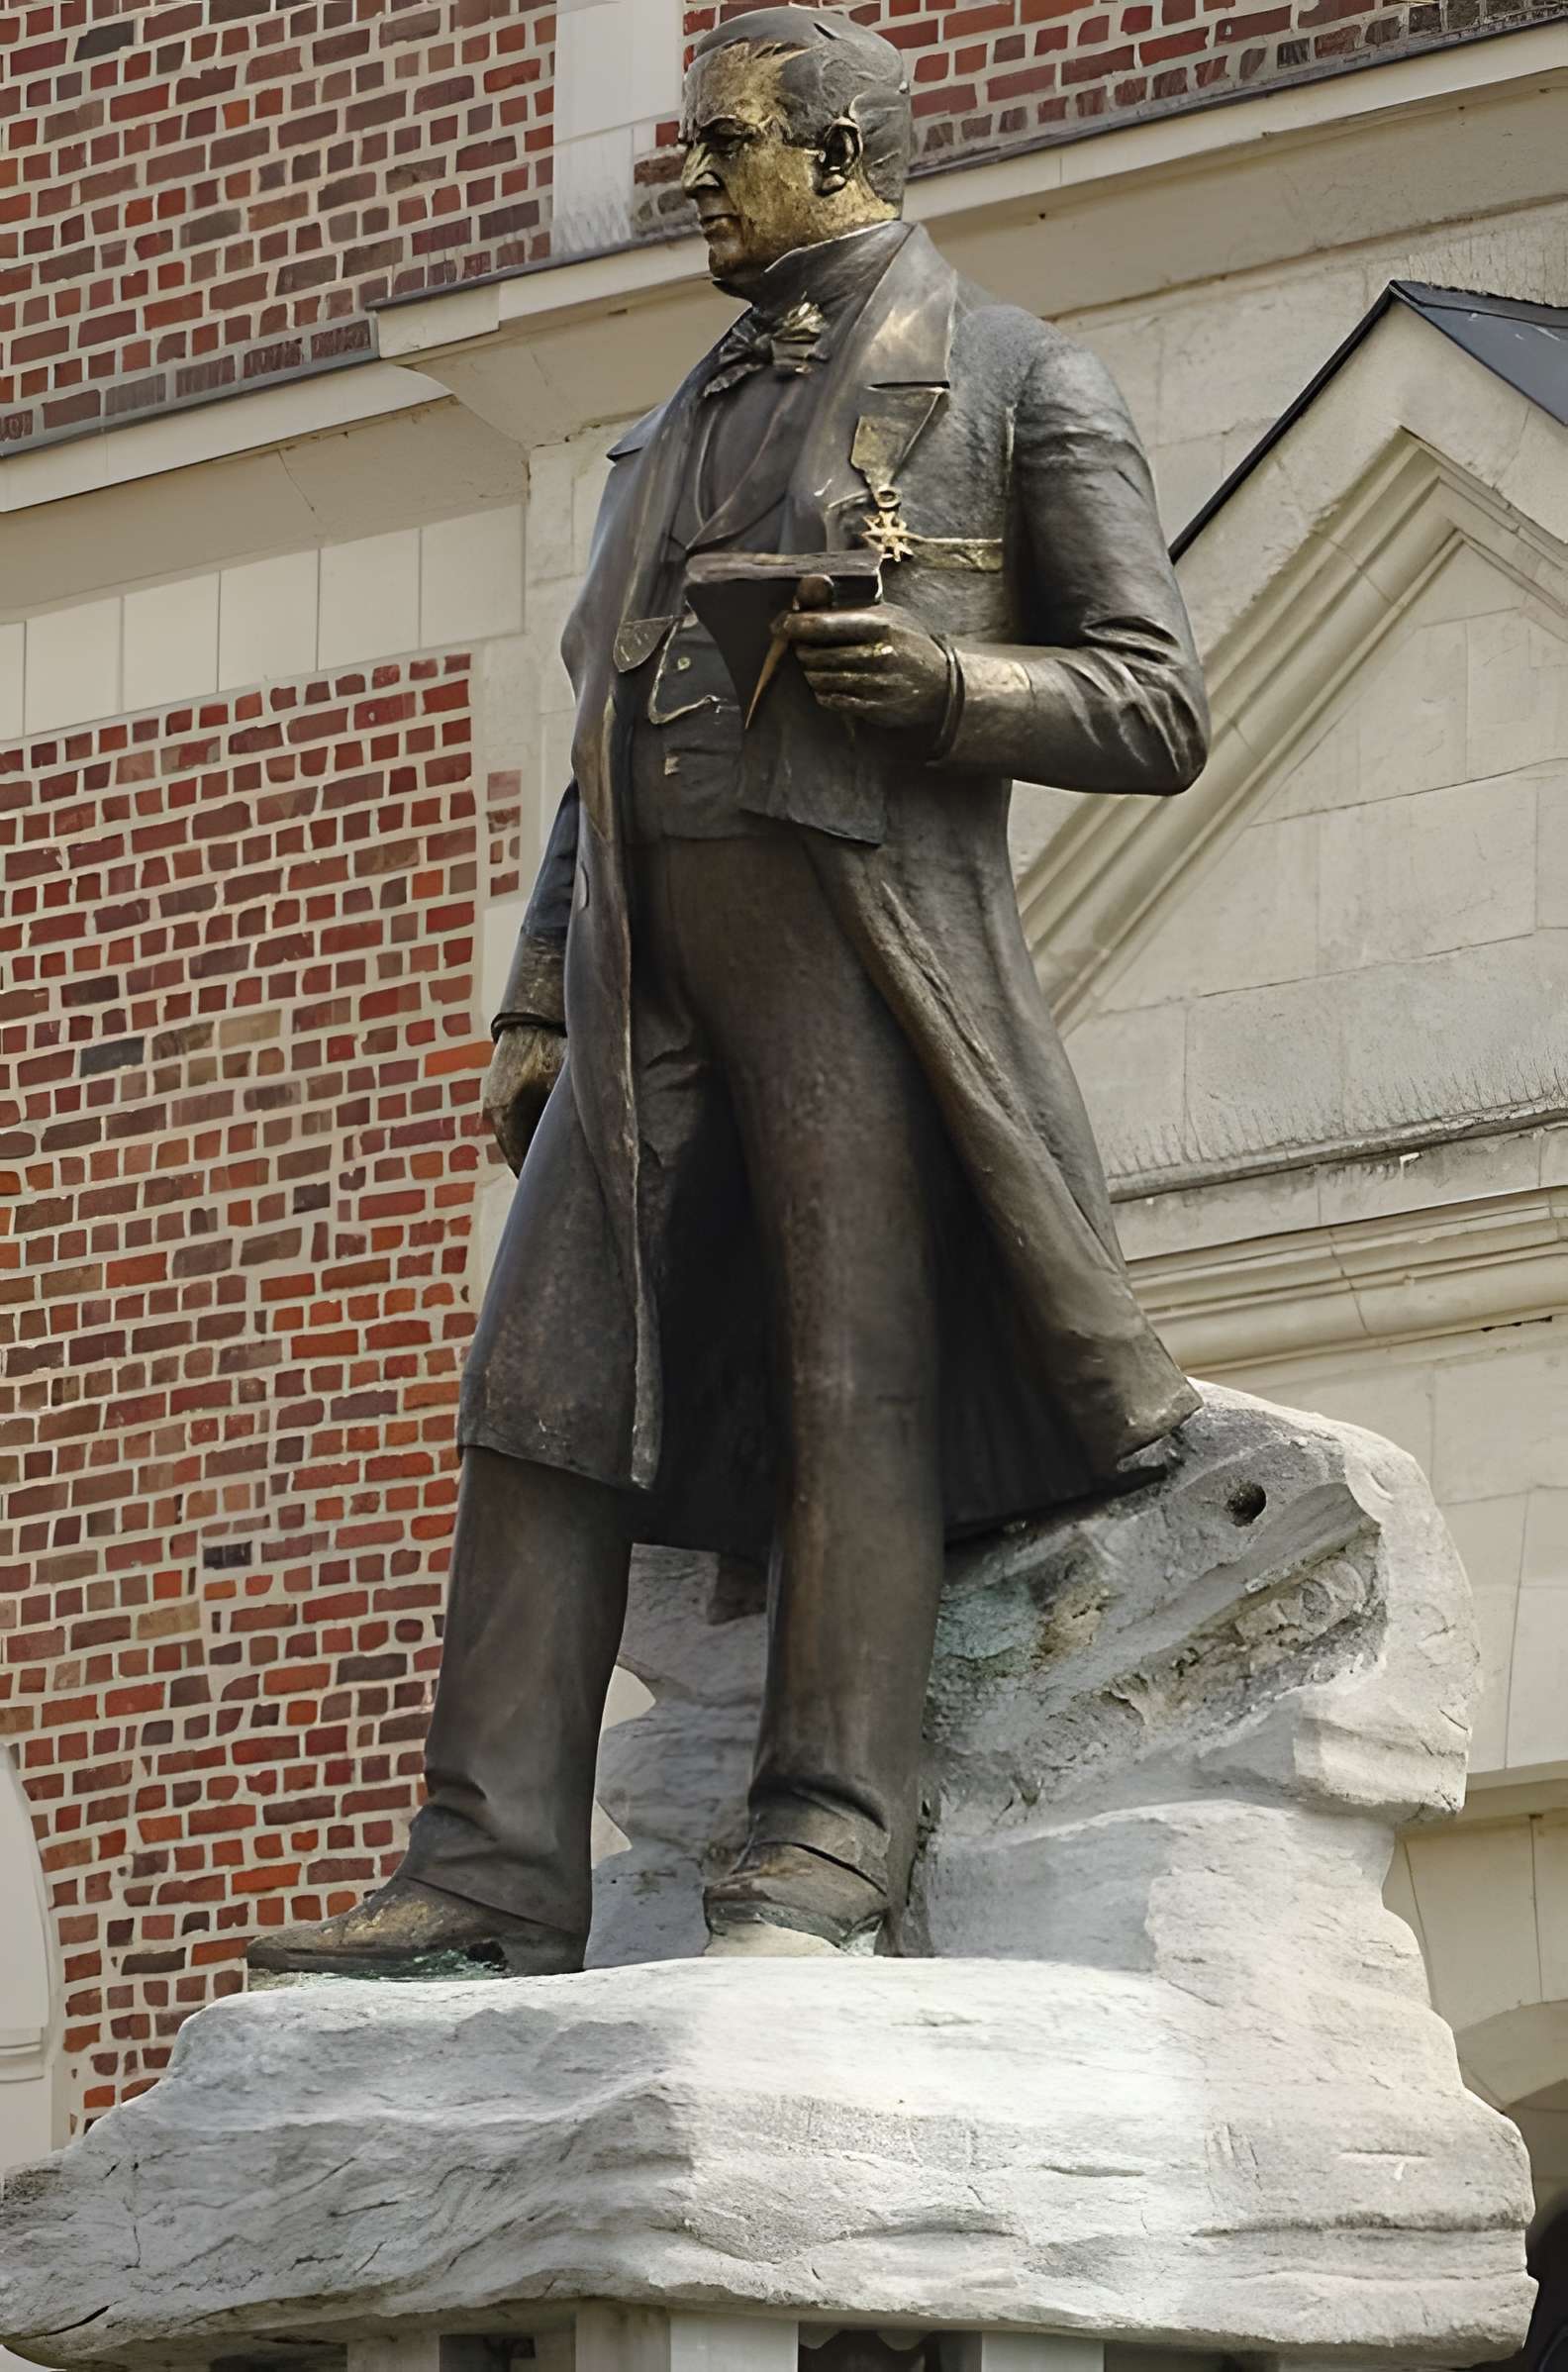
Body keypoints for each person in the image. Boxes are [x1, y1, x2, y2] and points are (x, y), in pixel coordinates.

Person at [247, 4, 1208, 1981]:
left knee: (860, 1373)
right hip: (638, 978)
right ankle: (491, 1870)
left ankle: (831, 1822)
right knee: (536, 1387)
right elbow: (600, 751)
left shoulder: (1021, 379)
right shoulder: (659, 426)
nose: (687, 173)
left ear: (839, 151)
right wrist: (532, 997)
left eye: (722, 142)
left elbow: (1157, 697)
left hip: (859, 953)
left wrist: (947, 689)